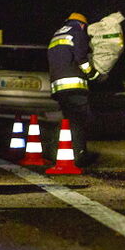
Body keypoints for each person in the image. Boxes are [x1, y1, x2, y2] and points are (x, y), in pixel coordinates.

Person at [47, 12, 101, 167]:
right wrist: (93, 74)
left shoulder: (57, 34)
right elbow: (81, 58)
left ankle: (59, 151)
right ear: (82, 25)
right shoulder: (77, 32)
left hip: (58, 87)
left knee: (68, 121)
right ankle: (79, 156)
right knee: (80, 121)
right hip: (74, 86)